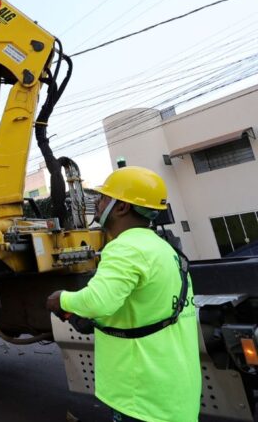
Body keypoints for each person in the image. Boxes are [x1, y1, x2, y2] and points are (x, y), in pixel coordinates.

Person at [46, 166, 200, 422]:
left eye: (104, 198)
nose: (98, 203)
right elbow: (146, 308)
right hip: (175, 393)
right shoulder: (164, 249)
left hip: (141, 398)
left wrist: (60, 299)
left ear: (122, 207)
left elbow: (96, 302)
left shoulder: (124, 248)